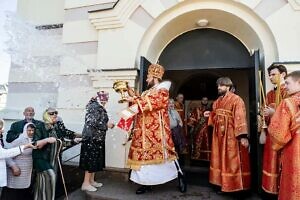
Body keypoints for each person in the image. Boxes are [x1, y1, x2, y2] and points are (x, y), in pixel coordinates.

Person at [124, 63, 185, 194]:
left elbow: (153, 102)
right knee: (144, 158)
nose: (146, 79)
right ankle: (146, 184)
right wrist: (130, 93)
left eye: (148, 76)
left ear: (154, 77)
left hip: (157, 132)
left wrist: (136, 99)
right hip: (143, 132)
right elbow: (141, 100)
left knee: (166, 157)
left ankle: (180, 176)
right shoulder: (148, 91)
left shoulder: (162, 91)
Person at [207, 77, 251, 193]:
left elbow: (240, 117)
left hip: (231, 135)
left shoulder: (237, 99)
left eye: (221, 85)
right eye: (218, 86)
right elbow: (215, 115)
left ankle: (236, 187)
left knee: (232, 160)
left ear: (228, 86)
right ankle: (223, 185)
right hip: (218, 136)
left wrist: (242, 136)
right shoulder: (217, 101)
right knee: (221, 160)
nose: (219, 88)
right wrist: (210, 114)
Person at [32, 108, 81, 200]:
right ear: (46, 115)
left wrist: (74, 141)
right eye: (51, 113)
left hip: (54, 159)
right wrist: (46, 140)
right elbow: (35, 144)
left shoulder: (56, 127)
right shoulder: (40, 126)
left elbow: (62, 143)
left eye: (56, 113)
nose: (54, 114)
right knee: (51, 176)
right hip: (42, 158)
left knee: (45, 182)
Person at [268, 71, 300, 200]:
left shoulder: (287, 103)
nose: (285, 86)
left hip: (294, 150)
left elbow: (278, 134)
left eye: (287, 83)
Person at [261, 64, 288, 196]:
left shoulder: (288, 92)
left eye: (273, 74)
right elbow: (266, 115)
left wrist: (274, 113)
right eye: (269, 75)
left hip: (285, 137)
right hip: (271, 135)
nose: (270, 77)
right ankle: (271, 191)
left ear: (283, 75)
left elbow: (291, 114)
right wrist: (264, 115)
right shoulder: (270, 93)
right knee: (270, 161)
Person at [79, 91, 114, 192]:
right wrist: (106, 125)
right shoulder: (95, 107)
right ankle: (85, 183)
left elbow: (98, 121)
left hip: (96, 138)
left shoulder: (97, 107)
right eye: (103, 99)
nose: (105, 101)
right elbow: (92, 122)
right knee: (91, 161)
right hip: (92, 138)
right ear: (99, 99)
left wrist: (106, 124)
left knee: (94, 160)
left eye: (106, 99)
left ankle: (91, 181)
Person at [1, 123, 36, 200]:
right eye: (29, 130)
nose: (31, 132)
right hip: (16, 173)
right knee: (13, 194)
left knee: (23, 193)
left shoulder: (34, 140)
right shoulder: (20, 140)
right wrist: (14, 166)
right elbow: (7, 155)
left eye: (33, 130)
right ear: (24, 130)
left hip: (26, 174)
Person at [188, 97, 211, 161]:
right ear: (201, 100)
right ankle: (197, 157)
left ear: (207, 101)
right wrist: (191, 126)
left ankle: (208, 157)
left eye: (206, 100)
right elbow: (192, 119)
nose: (205, 101)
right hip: (198, 130)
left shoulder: (211, 110)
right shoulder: (197, 109)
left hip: (209, 130)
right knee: (198, 143)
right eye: (203, 100)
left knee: (208, 143)